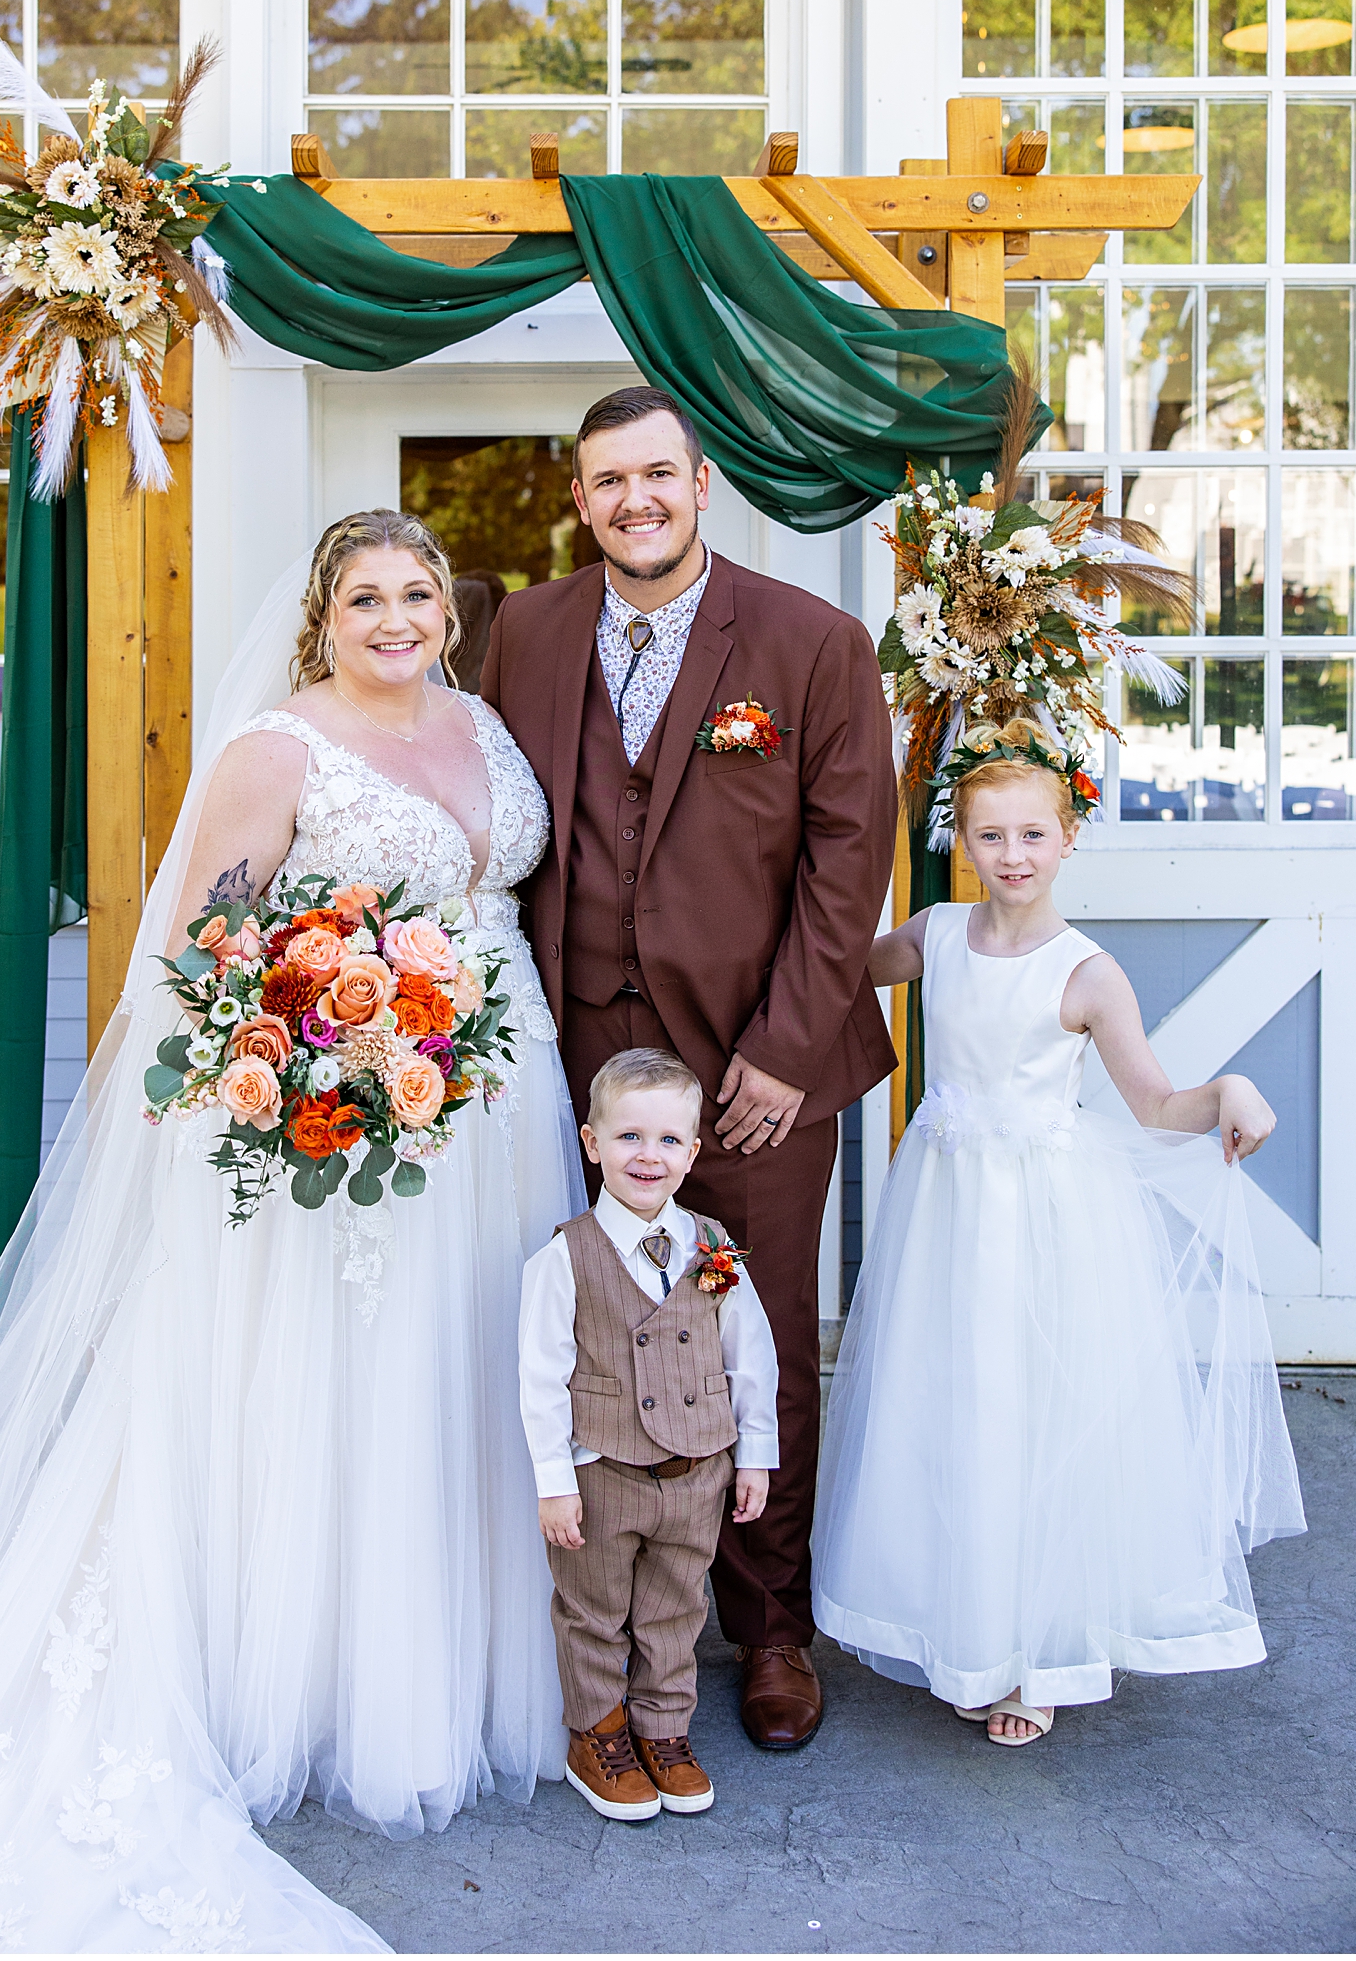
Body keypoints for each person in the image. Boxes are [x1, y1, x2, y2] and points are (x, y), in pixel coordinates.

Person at [0, 511, 586, 1953]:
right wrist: (302, 1063)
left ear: (447, 612)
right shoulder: (279, 750)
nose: (394, 618)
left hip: (508, 1095)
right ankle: (325, 1680)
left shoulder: (482, 725)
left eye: (415, 594)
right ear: (321, 619)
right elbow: (203, 949)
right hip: (359, 1114)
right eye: (364, 598)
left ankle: (454, 1665)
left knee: (472, 1375)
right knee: (350, 1380)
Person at [483, 385, 895, 1751]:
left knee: (753, 1339)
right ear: (582, 495)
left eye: (657, 474)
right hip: (585, 1065)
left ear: (702, 482)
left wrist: (784, 1053)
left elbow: (850, 867)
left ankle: (771, 1627)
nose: (634, 501)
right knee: (601, 1339)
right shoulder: (529, 633)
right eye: (608, 481)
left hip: (753, 1075)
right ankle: (616, 1621)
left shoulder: (813, 643)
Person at [812, 728, 1306, 1746]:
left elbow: (1157, 1102)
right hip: (944, 1210)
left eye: (1034, 835)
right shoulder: (937, 934)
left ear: (1069, 837)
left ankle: (1036, 1656)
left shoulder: (1087, 973)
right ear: (964, 841)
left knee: (1028, 1414)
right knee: (951, 1409)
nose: (1014, 856)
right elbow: (838, 963)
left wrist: (1230, 1091)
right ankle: (970, 1634)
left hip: (1039, 1220)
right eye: (991, 836)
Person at [519, 1048, 779, 1820]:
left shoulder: (713, 1248)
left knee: (675, 1611)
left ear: (693, 1152)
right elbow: (539, 1377)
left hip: (696, 1472)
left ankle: (664, 1732)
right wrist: (554, 1481)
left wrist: (754, 1455)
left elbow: (750, 1353)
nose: (649, 1156)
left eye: (669, 1141)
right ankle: (595, 1736)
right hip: (602, 1472)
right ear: (593, 1144)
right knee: (593, 1612)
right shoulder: (564, 1257)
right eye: (629, 1137)